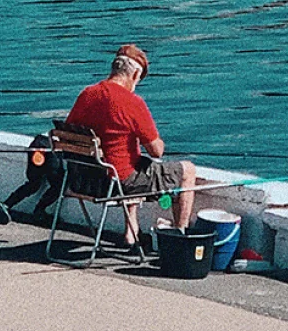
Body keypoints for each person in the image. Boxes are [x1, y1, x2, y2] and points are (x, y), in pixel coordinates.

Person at [64, 44, 196, 248]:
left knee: (132, 160)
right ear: (134, 74)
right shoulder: (132, 103)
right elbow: (156, 151)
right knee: (187, 170)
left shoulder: (86, 94)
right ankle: (180, 238)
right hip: (116, 184)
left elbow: (70, 132)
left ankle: (131, 232)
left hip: (83, 179)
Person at [0, 134, 61, 225]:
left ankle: (7, 204)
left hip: (38, 143)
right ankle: (39, 210)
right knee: (58, 185)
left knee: (34, 183)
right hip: (51, 148)